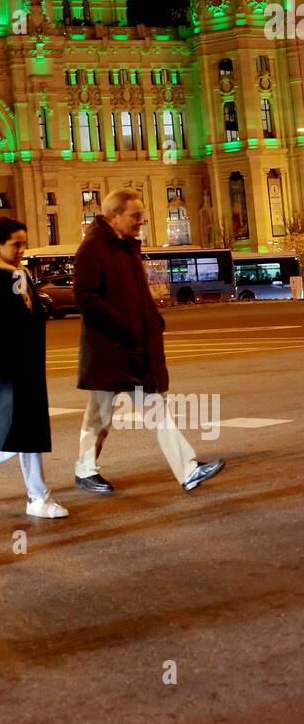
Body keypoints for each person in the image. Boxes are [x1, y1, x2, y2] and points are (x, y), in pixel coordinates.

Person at [74, 188, 225, 495]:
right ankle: (85, 470)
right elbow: (86, 299)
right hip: (111, 348)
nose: (140, 221)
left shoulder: (124, 246)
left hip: (131, 346)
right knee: (100, 415)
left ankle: (187, 469)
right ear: (114, 216)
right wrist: (125, 327)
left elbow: (137, 294)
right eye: (135, 215)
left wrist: (152, 321)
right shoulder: (94, 247)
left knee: (153, 410)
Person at [0, 218, 68, 517]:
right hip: (6, 365)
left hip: (29, 363)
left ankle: (24, 488)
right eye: (16, 244)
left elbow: (31, 314)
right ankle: (34, 495)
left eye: (23, 243)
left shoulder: (18, 273)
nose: (22, 249)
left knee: (28, 429)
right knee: (23, 431)